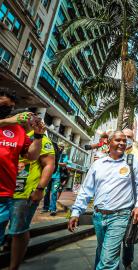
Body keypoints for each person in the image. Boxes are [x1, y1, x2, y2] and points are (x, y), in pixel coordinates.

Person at [68, 131, 138, 270]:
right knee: (102, 251)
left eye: (124, 140)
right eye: (118, 140)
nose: (122, 143)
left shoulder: (133, 162)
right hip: (98, 216)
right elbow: (86, 190)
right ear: (109, 142)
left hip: (120, 216)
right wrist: (76, 212)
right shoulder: (98, 164)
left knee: (108, 261)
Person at [0, 88, 44, 249]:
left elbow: (31, 156)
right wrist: (9, 121)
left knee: (13, 233)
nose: (7, 111)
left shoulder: (17, 130)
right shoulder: (9, 123)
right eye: (3, 105)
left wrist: (38, 136)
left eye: (10, 108)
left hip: (6, 193)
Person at [8, 125, 55, 270]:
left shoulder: (41, 139)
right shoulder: (11, 135)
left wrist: (39, 189)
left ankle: (13, 266)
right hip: (5, 191)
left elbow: (49, 164)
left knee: (19, 230)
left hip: (24, 194)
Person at [121, 128, 138, 270]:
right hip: (113, 202)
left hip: (131, 202)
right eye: (124, 136)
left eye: (129, 136)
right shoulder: (113, 151)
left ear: (133, 138)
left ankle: (127, 263)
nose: (126, 139)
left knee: (129, 236)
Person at [42, 142, 69, 216]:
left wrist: (56, 162)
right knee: (46, 192)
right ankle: (45, 207)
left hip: (57, 177)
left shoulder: (64, 156)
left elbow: (65, 164)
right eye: (60, 146)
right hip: (49, 176)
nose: (61, 148)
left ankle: (53, 209)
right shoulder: (52, 154)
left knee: (54, 192)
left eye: (62, 147)